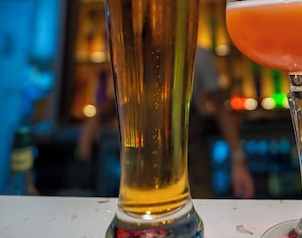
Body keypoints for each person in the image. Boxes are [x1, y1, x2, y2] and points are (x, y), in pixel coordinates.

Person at [77, 47, 254, 199]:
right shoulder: (137, 53)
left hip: (190, 158)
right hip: (145, 157)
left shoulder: (199, 55)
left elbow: (221, 109)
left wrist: (238, 160)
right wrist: (94, 120)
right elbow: (122, 100)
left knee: (197, 207)